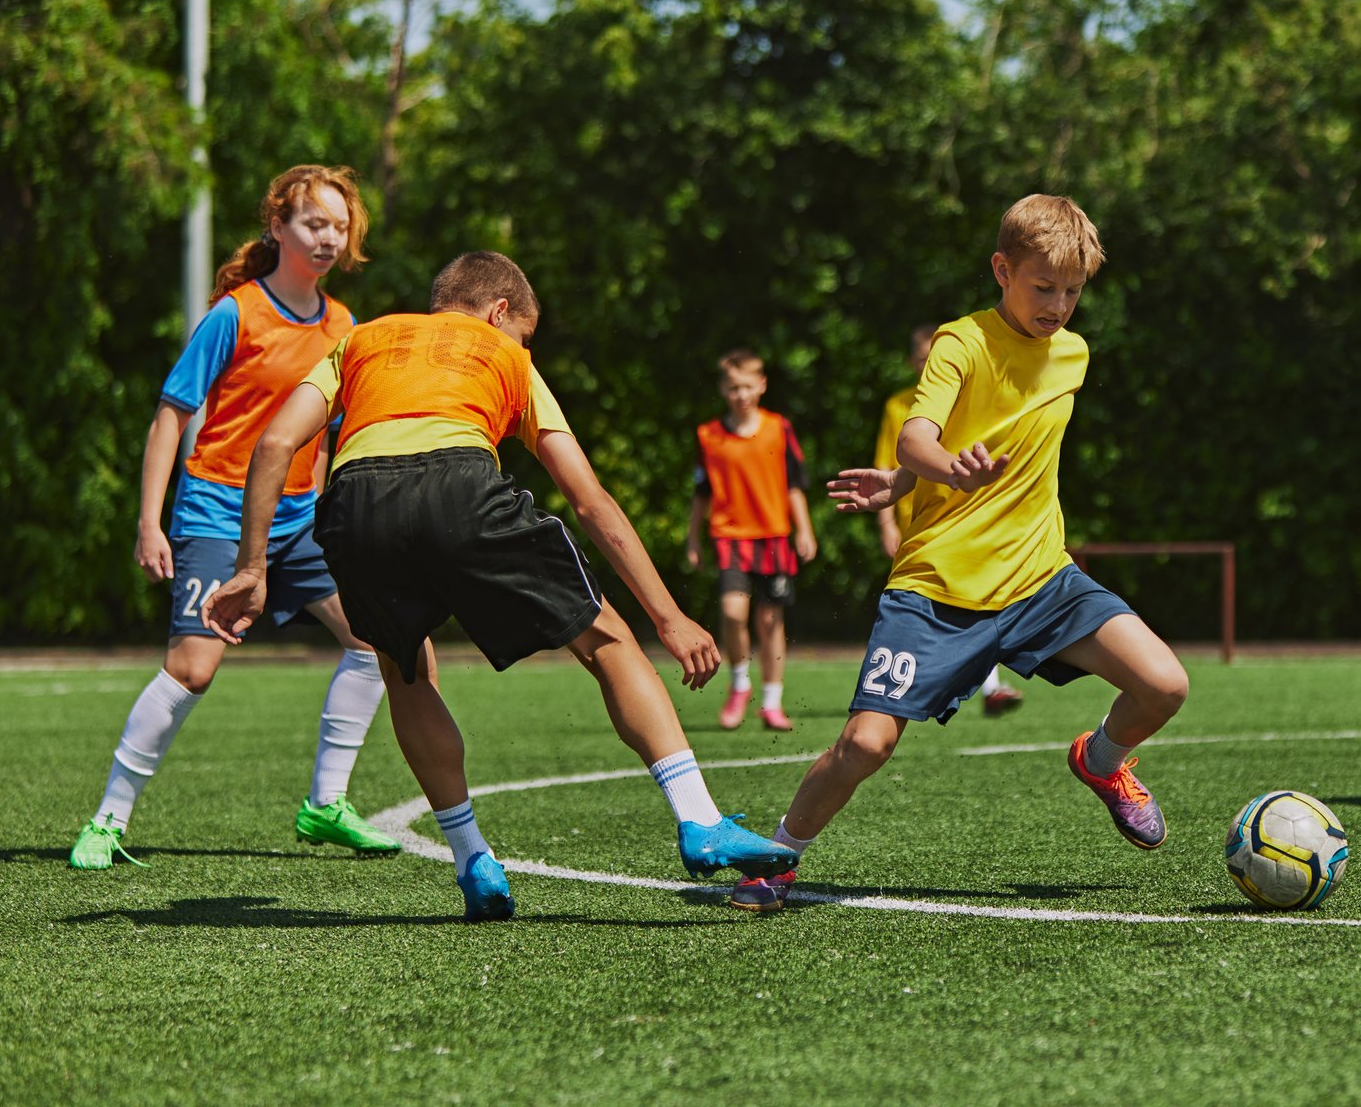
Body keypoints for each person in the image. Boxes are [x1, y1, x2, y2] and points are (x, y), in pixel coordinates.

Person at [202, 252, 795, 920]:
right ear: (500, 312)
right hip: (459, 480)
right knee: (608, 642)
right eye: (525, 336)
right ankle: (699, 819)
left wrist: (253, 567)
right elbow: (588, 497)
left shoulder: (361, 338)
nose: (522, 348)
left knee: (406, 670)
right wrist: (668, 615)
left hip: (354, 503)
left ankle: (471, 858)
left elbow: (276, 445)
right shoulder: (504, 353)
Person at [728, 195, 1189, 913]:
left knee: (1164, 685)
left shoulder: (1074, 353)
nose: (1059, 306)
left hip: (1042, 577)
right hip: (940, 585)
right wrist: (927, 471)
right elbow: (919, 433)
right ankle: (775, 858)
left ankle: (1100, 762)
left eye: (1073, 291)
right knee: (867, 746)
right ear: (1002, 269)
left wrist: (915, 475)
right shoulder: (961, 341)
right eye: (1043, 287)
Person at [69, 165, 401, 870]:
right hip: (217, 511)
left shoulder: (345, 325)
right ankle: (108, 818)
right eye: (315, 224)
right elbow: (172, 415)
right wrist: (149, 522)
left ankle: (326, 806)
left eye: (341, 227)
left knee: (376, 640)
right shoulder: (235, 314)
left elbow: (340, 432)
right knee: (194, 670)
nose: (330, 239)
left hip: (302, 518)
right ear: (277, 227)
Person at [874, 325, 1023, 716]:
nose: (930, 367)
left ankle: (988, 687)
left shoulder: (967, 398)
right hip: (918, 524)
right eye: (924, 360)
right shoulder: (897, 406)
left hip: (966, 517)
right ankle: (905, 687)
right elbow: (890, 465)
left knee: (981, 597)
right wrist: (887, 525)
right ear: (913, 363)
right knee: (925, 608)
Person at [686, 350, 817, 731]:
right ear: (722, 389)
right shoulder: (708, 436)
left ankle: (772, 702)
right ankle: (740, 685)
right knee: (731, 612)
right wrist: (693, 538)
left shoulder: (779, 428)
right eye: (732, 388)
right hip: (730, 538)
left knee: (771, 621)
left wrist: (804, 529)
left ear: (761, 386)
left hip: (774, 538)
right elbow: (701, 493)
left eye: (746, 386)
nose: (740, 394)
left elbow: (795, 485)